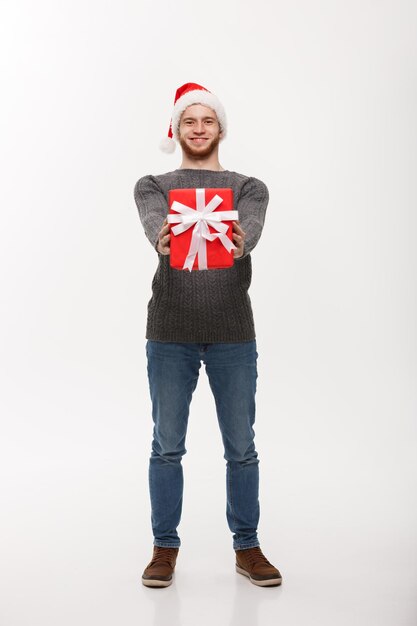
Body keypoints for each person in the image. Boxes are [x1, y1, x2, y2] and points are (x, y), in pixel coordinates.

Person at [134, 82, 282, 588]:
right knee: (166, 445)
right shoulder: (153, 183)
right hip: (169, 330)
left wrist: (241, 242)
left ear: (221, 127)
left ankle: (248, 547)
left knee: (242, 446)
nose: (199, 130)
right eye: (189, 121)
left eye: (208, 121)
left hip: (233, 332)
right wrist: (163, 237)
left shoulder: (248, 187)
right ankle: (163, 547)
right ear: (175, 129)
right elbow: (155, 224)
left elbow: (252, 228)